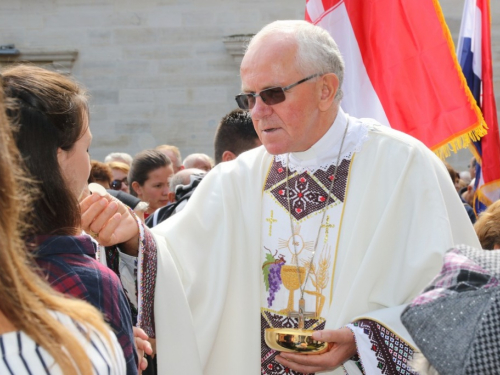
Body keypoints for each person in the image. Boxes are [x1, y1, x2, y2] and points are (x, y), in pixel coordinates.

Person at [149, 20, 480, 375]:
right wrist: (128, 239)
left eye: (273, 94)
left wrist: (363, 339)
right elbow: (174, 264)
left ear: (326, 90)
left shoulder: (403, 166)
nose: (258, 112)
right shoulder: (236, 179)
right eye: (249, 98)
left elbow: (462, 298)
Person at [2, 64, 152, 374]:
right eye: (87, 147)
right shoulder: (84, 280)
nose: (89, 161)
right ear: (58, 156)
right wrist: (110, 352)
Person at [129, 149, 174, 217]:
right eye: (158, 186)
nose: (167, 192)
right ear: (137, 187)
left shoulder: (179, 215)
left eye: (170, 183)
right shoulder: (127, 222)